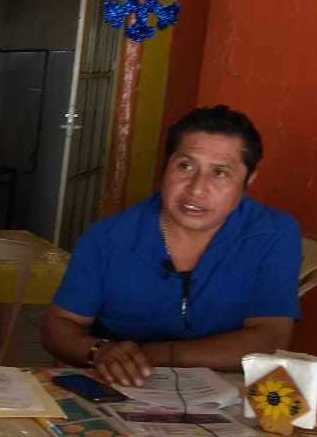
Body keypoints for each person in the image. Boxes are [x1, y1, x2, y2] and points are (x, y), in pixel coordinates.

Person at [42, 104, 301, 386]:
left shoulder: (273, 233)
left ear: (248, 180)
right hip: (123, 387)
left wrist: (155, 355)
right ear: (165, 167)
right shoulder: (107, 237)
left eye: (219, 173)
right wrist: (101, 351)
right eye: (185, 166)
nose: (196, 189)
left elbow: (269, 339)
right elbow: (59, 327)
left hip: (225, 392)